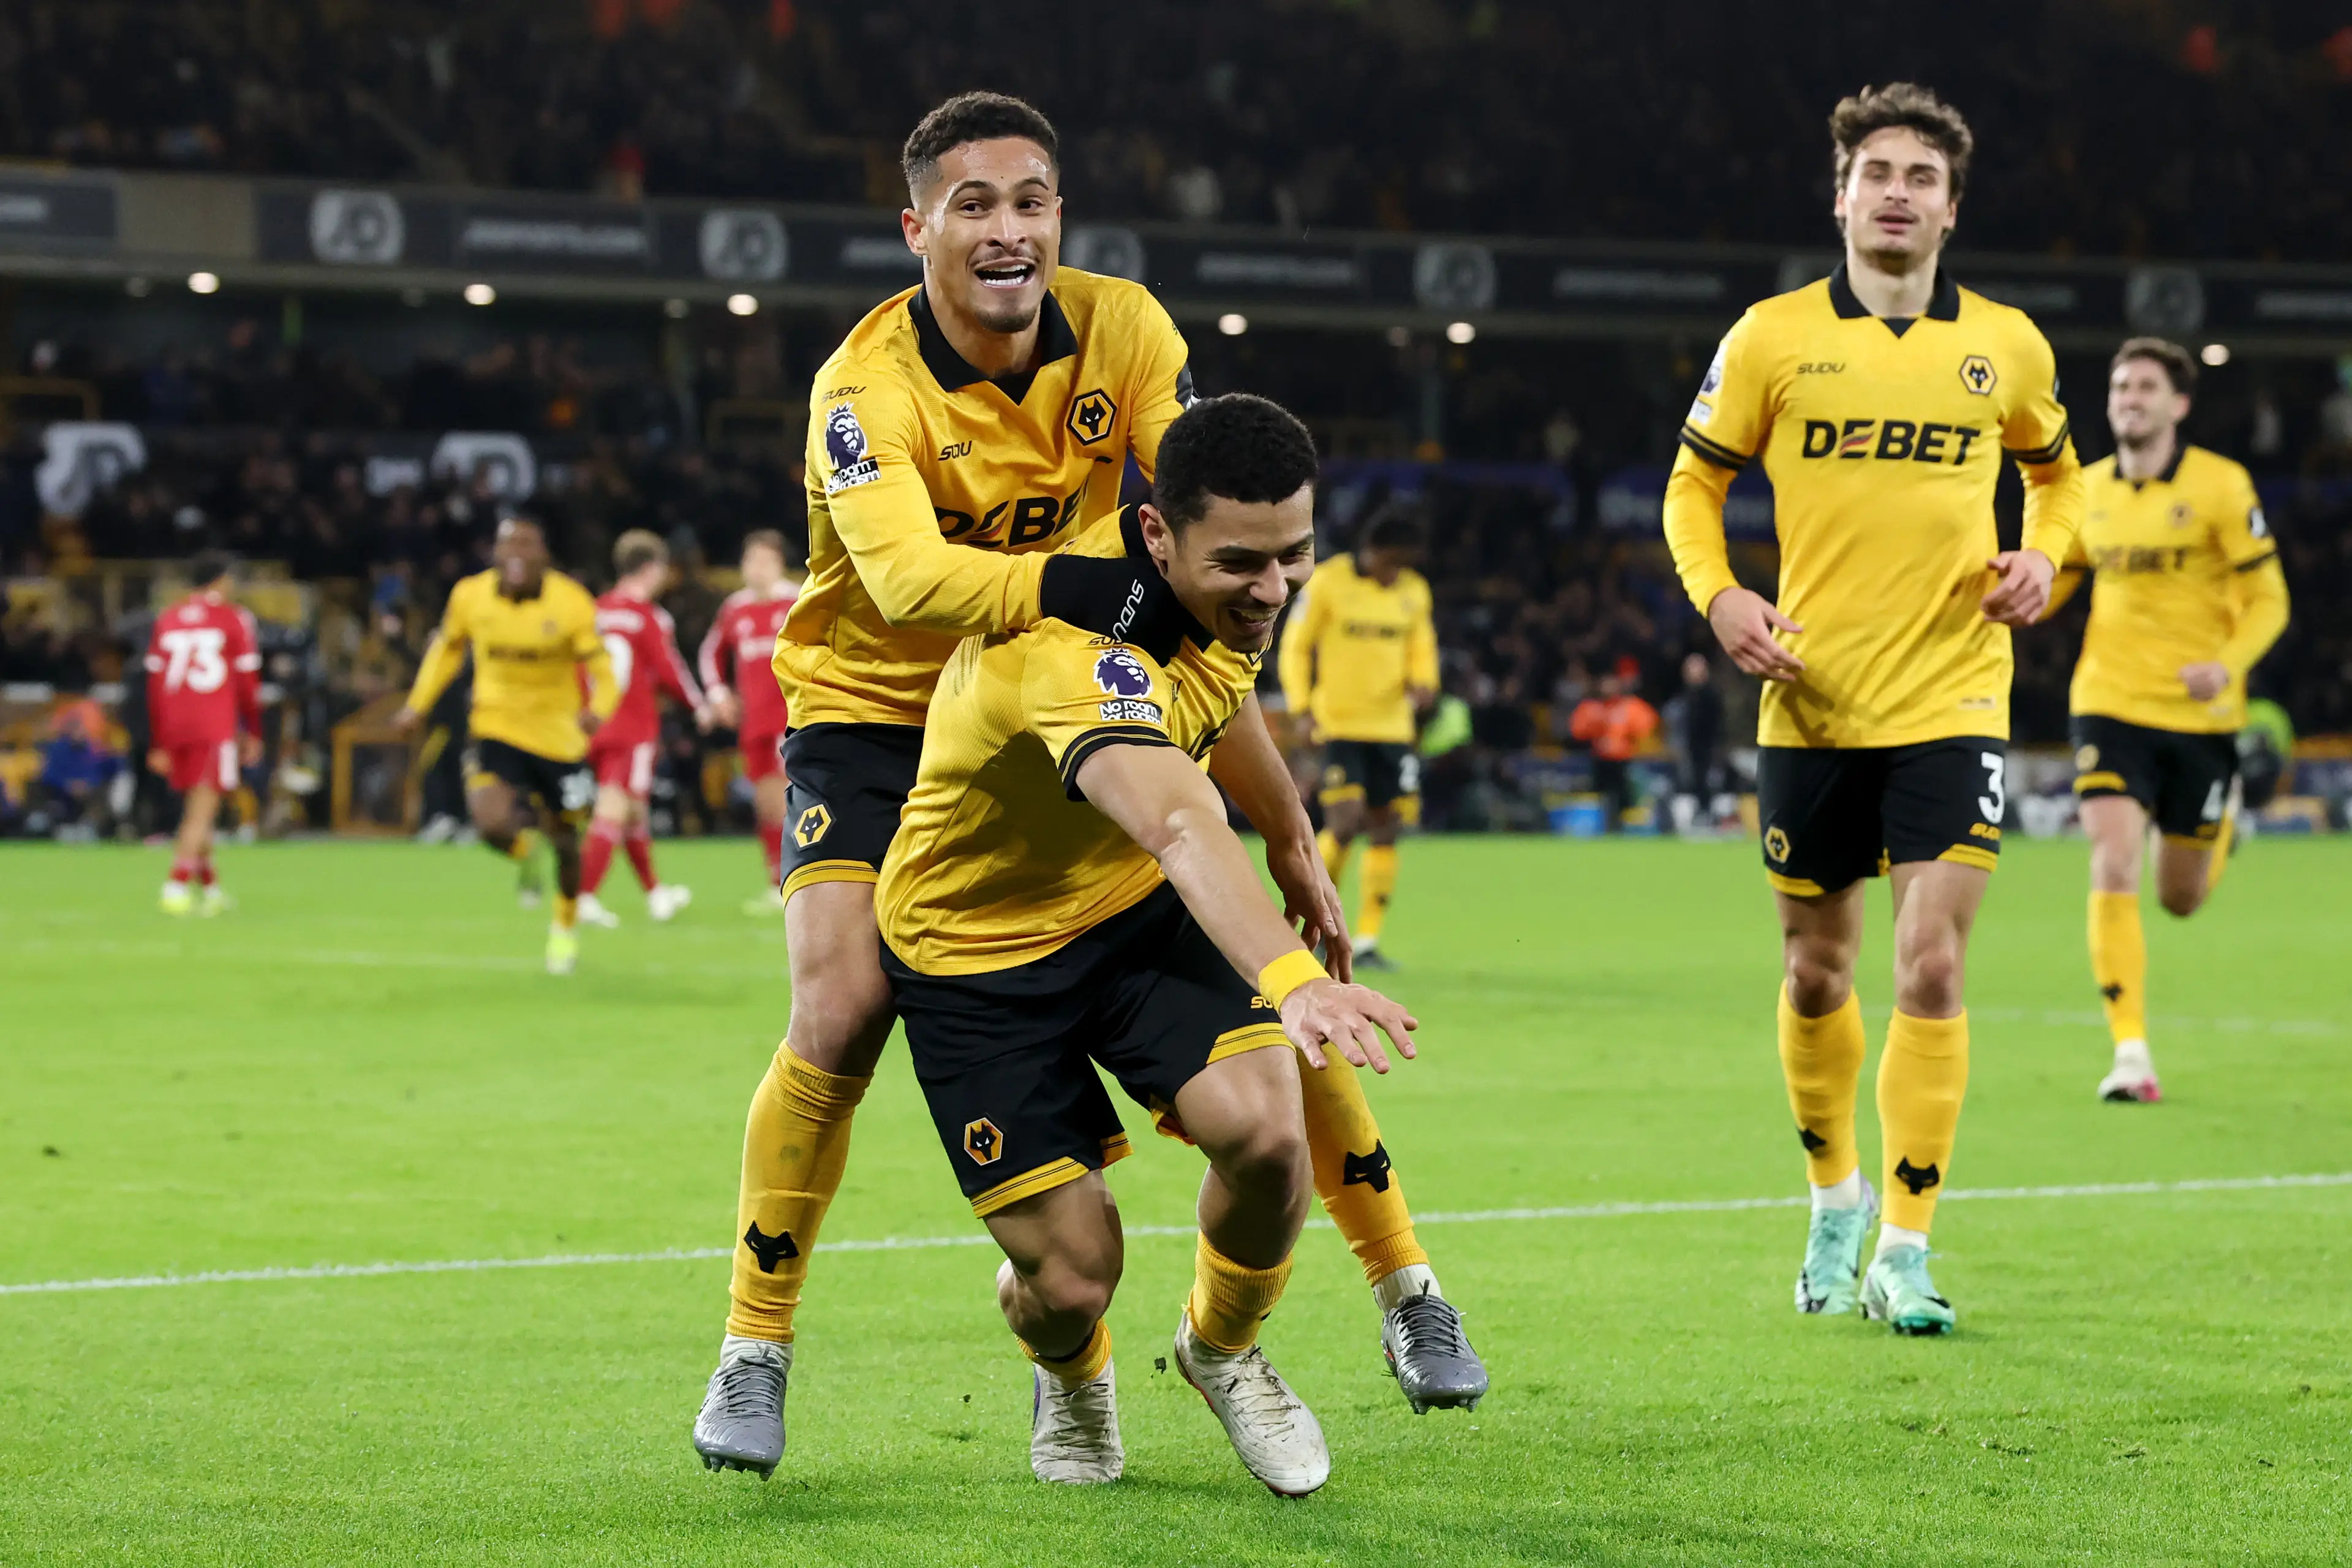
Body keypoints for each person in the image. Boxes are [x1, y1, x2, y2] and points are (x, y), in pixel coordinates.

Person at [693, 91, 1482, 1480]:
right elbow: (906, 582)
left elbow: (1193, 539)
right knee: (840, 999)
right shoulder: (861, 386)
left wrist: (1288, 821)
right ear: (916, 226)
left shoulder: (1128, 329)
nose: (1009, 229)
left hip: (1078, 680)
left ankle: (1401, 1279)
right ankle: (755, 1340)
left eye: (1032, 200)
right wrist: (1099, 583)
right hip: (883, 712)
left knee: (1278, 967)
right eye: (974, 204)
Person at [876, 394, 1425, 1493]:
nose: (1272, 591)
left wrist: (1294, 837)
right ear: (1157, 535)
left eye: (1295, 557)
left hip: (1127, 917)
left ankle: (1221, 1350)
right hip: (976, 954)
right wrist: (1292, 981)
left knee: (1269, 1135)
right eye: (1243, 565)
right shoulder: (1076, 645)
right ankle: (1072, 1374)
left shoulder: (1218, 596)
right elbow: (1177, 820)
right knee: (1075, 1277)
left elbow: (1226, 709)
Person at [1662, 83, 2084, 1336]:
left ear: (1953, 208)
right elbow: (1694, 486)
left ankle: (1908, 1241)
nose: (1896, 192)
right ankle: (1832, 1196)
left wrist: (2046, 559)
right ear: (1840, 194)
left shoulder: (2005, 344)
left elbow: (2058, 478)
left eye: (1920, 177)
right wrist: (1723, 598)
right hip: (1812, 696)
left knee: (1934, 960)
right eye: (1876, 172)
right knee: (1815, 969)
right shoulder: (1772, 337)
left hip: (1956, 692)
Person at [2045, 338, 2289, 1104]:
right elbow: (2058, 582)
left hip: (2200, 711)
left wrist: (2229, 661)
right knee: (2112, 860)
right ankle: (2130, 1052)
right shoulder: (2086, 490)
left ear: (2179, 404)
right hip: (2108, 703)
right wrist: (2000, 605)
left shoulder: (2221, 485)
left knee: (2180, 897)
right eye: (2120, 386)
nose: (2129, 398)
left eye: (2146, 387)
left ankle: (2224, 827)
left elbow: (2270, 599)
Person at [396, 516, 618, 975]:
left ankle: (564, 928)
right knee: (490, 822)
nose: (515, 553)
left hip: (559, 738)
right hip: (494, 726)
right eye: (506, 544)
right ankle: (522, 852)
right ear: (494, 553)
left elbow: (602, 669)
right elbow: (448, 650)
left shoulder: (571, 601)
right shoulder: (470, 596)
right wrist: (417, 705)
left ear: (545, 555)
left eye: (526, 544)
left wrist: (599, 707)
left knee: (567, 843)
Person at [1277, 503, 1437, 968]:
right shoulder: (1329, 582)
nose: (1397, 574)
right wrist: (1300, 707)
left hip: (1393, 729)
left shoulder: (1414, 591)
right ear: (1372, 551)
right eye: (1393, 563)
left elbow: (1421, 645)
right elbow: (1296, 645)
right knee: (1343, 823)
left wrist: (1426, 681)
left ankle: (1366, 941)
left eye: (1405, 565)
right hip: (1340, 725)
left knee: (1387, 828)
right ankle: (1318, 927)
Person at [579, 529, 712, 928]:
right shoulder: (648, 616)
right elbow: (670, 669)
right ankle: (583, 896)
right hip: (633, 727)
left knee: (634, 813)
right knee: (615, 808)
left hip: (595, 724)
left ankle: (656, 895)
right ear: (651, 569)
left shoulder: (595, 612)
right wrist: (699, 706)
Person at [144, 549, 263, 914]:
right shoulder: (234, 619)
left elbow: (153, 684)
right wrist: (253, 731)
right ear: (223, 580)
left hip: (176, 726)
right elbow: (247, 682)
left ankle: (210, 890)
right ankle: (175, 886)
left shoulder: (169, 618)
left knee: (199, 807)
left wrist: (158, 740)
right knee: (202, 811)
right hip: (213, 725)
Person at [696, 530, 801, 914]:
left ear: (778, 564)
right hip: (753, 721)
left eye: (765, 560)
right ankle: (776, 883)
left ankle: (796, 881)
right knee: (765, 803)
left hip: (790, 719)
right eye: (751, 560)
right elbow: (711, 654)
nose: (757, 568)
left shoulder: (796, 600)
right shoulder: (735, 608)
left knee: (789, 799)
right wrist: (719, 695)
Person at [1567, 666, 1660, 829]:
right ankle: (1600, 828)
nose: (1608, 688)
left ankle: (1625, 829)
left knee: (1625, 799)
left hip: (1623, 761)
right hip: (1600, 760)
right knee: (1599, 798)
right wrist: (1596, 724)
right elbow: (1577, 730)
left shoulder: (1630, 706)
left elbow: (1648, 725)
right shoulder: (1591, 707)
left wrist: (1630, 735)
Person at [1665, 650, 1726, 832]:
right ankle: (1694, 819)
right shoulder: (1685, 695)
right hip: (1689, 749)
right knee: (1690, 783)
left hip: (1709, 749)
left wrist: (1717, 748)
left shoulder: (1711, 696)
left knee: (1709, 783)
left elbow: (1717, 725)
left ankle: (1709, 818)